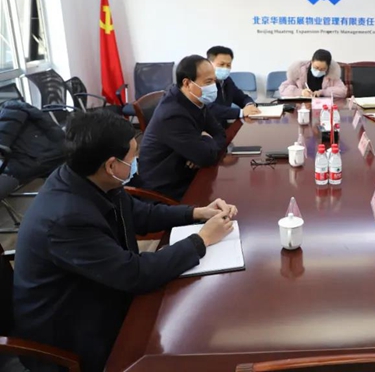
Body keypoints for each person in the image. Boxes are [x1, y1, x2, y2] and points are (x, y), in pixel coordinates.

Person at [12, 110, 238, 372]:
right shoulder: (66, 219)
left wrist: (197, 213)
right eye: (133, 157)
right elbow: (135, 274)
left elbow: (141, 214)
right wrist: (202, 239)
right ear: (111, 165)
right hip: (70, 336)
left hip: (101, 292)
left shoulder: (90, 178)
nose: (136, 162)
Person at [138, 55, 227, 201]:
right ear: (187, 83)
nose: (213, 87)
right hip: (167, 189)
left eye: (214, 81)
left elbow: (220, 134)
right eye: (208, 82)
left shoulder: (195, 100)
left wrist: (201, 148)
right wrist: (204, 142)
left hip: (187, 172)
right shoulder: (172, 114)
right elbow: (206, 157)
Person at [205, 45, 261, 122]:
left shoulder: (227, 81)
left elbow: (242, 98)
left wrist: (250, 105)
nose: (225, 68)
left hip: (223, 125)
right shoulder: (203, 83)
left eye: (228, 65)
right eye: (221, 64)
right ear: (209, 64)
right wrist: (241, 112)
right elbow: (208, 108)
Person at [278, 48, 347, 98]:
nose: (319, 71)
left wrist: (323, 92)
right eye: (316, 67)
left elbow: (343, 91)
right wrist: (301, 92)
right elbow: (283, 89)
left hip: (323, 108)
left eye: (323, 69)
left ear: (328, 67)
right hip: (302, 108)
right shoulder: (299, 71)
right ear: (312, 62)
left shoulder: (332, 74)